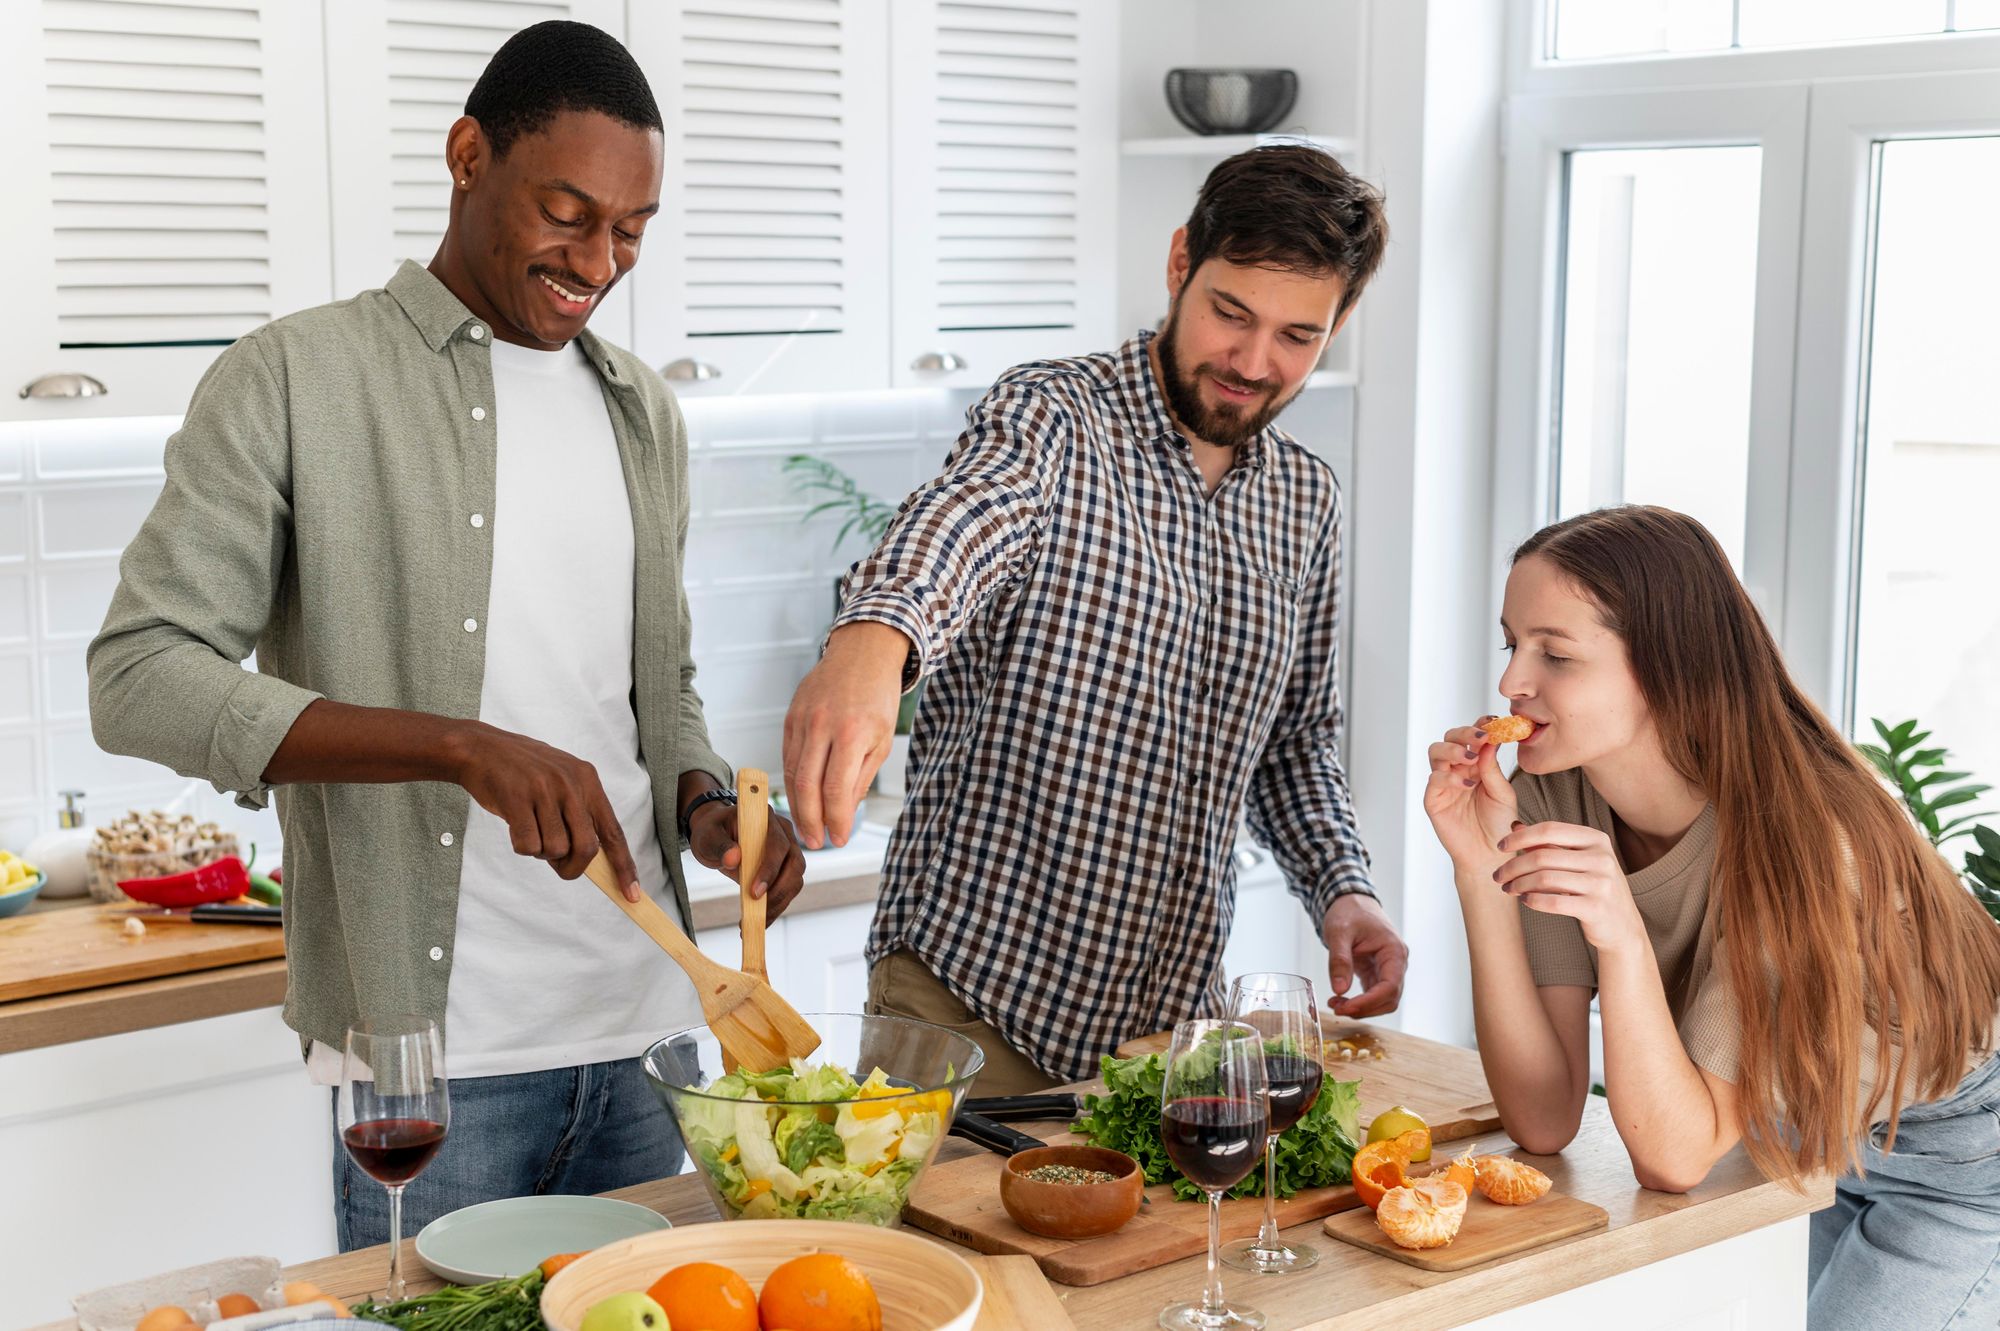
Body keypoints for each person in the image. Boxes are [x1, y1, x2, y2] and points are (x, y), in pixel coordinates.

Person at [87, 20, 805, 1249]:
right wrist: (460, 747)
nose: (598, 261)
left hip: (654, 1025)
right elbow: (139, 674)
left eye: (629, 229)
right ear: (468, 155)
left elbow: (653, 684)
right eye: (566, 212)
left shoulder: (643, 410)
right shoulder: (291, 379)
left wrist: (701, 800)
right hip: (436, 1061)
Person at [782, 145, 1408, 1092]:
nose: (1252, 362)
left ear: (1340, 323)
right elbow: (964, 520)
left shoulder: (1304, 500)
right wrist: (874, 642)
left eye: (1297, 336)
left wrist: (1343, 887)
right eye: (1229, 313)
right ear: (1177, 264)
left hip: (1167, 1038)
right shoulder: (1056, 419)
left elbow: (1290, 742)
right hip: (969, 1005)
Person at [1425, 504, 2000, 1329]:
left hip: (1962, 1148)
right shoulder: (1552, 786)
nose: (1514, 682)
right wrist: (1480, 872)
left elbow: (1675, 1156)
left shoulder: (1801, 838)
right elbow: (1546, 1117)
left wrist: (1620, 932)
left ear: (1667, 666)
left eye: (1555, 653)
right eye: (1511, 643)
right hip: (1817, 1130)